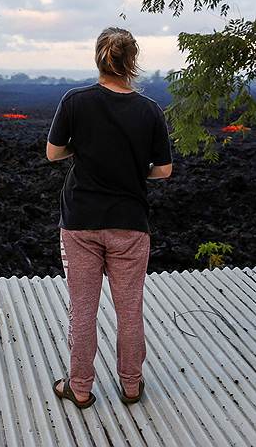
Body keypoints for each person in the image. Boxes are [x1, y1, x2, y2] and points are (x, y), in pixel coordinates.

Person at [46, 27, 172, 408]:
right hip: (130, 224)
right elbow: (164, 171)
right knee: (130, 309)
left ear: (99, 58)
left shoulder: (75, 101)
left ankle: (80, 388)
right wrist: (134, 171)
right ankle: (131, 386)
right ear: (132, 62)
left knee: (82, 309)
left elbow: (53, 153)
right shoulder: (150, 111)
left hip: (81, 222)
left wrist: (83, 149)